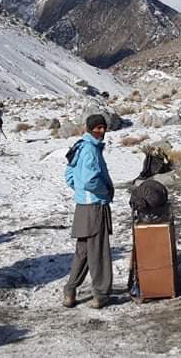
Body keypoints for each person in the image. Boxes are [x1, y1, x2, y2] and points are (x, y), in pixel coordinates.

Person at [63, 114, 115, 309]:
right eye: (98, 128)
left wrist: (80, 192)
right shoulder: (91, 149)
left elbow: (69, 175)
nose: (101, 131)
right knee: (98, 251)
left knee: (83, 252)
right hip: (94, 206)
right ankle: (101, 294)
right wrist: (106, 191)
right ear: (90, 128)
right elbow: (90, 180)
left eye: (103, 127)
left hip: (82, 206)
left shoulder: (79, 146)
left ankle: (70, 290)